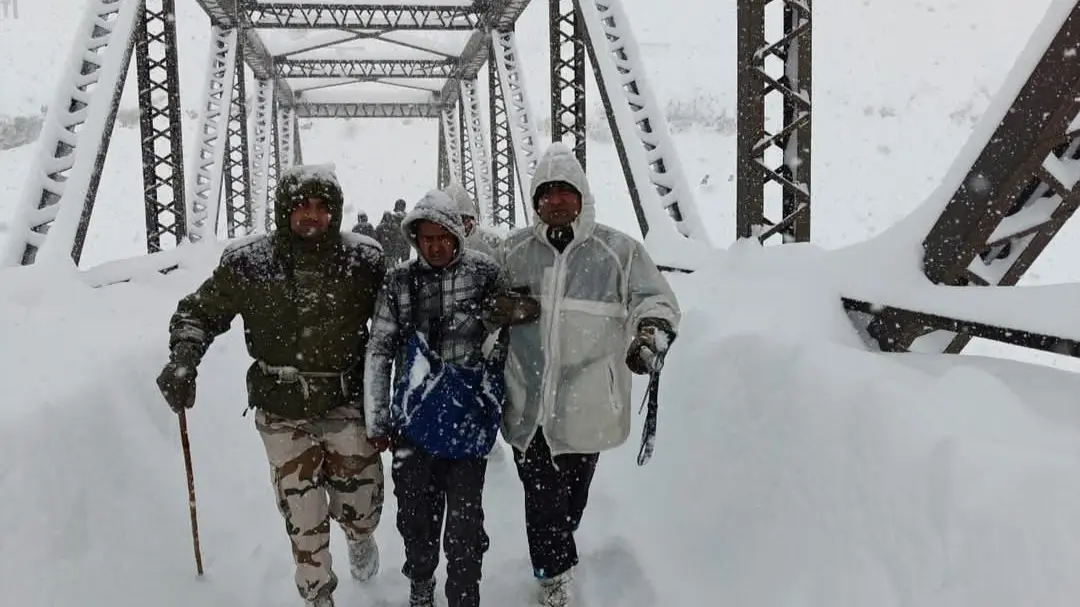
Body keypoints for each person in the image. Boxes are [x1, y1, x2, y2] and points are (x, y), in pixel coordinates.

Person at [156, 165, 387, 607]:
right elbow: (198, 312)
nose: (311, 216)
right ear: (284, 210)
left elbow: (400, 315)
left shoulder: (363, 261)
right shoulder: (249, 263)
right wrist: (183, 358)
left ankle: (360, 536)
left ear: (335, 213)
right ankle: (317, 595)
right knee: (303, 512)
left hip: (346, 402)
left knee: (360, 503)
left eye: (322, 207)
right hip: (281, 406)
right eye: (301, 206)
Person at [495, 143, 681, 607]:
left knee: (568, 502)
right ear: (535, 199)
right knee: (542, 500)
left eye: (565, 191)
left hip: (588, 404)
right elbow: (479, 300)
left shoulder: (618, 251)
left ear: (581, 197)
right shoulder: (512, 251)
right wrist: (495, 310)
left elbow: (654, 299)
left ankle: (559, 544)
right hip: (527, 405)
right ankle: (553, 578)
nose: (555, 200)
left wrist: (651, 330)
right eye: (546, 192)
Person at [364, 189, 517, 607]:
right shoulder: (398, 283)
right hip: (413, 425)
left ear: (457, 235)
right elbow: (379, 349)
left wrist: (490, 404)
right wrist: (377, 419)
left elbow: (502, 345)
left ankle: (464, 595)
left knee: (465, 527)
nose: (434, 245)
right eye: (425, 237)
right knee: (415, 519)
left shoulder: (486, 273)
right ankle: (421, 580)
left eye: (442, 236)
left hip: (467, 425)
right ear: (415, 239)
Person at [442, 182, 504, 258]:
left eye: (463, 218)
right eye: (452, 220)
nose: (459, 225)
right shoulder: (437, 247)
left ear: (472, 218)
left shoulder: (492, 243)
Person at [375, 199, 410, 264]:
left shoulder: (392, 217)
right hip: (404, 243)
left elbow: (383, 229)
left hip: (396, 244)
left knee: (395, 263)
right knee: (405, 263)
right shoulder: (408, 217)